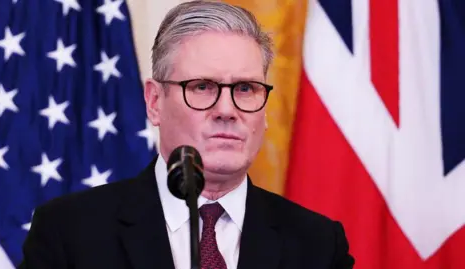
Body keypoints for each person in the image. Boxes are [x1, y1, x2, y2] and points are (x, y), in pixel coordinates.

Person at [19, 1, 355, 268]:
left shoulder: (318, 245)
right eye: (202, 86)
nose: (227, 109)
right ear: (154, 102)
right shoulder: (70, 232)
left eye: (246, 88)